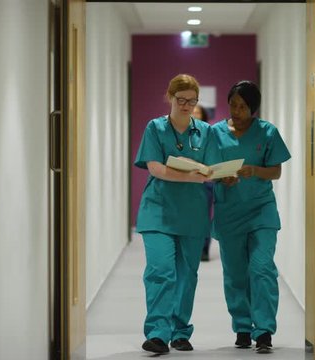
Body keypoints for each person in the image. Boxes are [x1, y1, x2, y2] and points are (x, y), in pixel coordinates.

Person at [134, 74, 216, 354]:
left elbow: (213, 166)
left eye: (192, 101)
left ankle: (180, 331)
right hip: (157, 211)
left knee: (187, 275)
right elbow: (155, 168)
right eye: (181, 100)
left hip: (192, 214)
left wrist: (218, 174)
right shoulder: (155, 128)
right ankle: (158, 332)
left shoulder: (205, 131)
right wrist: (193, 177)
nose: (186, 105)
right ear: (169, 98)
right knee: (160, 271)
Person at [210, 81, 291, 353]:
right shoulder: (215, 133)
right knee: (234, 273)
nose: (236, 110)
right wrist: (222, 177)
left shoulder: (267, 132)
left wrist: (255, 170)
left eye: (242, 106)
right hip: (229, 211)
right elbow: (207, 169)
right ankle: (243, 327)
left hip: (261, 211)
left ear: (253, 108)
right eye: (233, 104)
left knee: (261, 267)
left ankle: (264, 329)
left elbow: (276, 171)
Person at [192, 104, 214, 262]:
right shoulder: (181, 134)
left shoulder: (209, 133)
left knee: (204, 217)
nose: (195, 114)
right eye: (193, 112)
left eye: (198, 112)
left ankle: (204, 249)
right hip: (187, 181)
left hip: (206, 181)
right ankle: (192, 247)